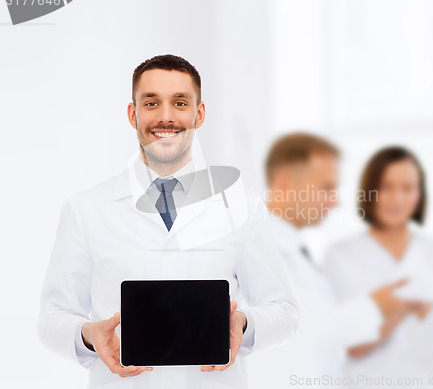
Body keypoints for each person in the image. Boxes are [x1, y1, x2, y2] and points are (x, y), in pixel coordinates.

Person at [38, 54, 299, 389]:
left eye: (179, 102)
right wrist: (88, 335)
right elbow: (51, 317)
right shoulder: (85, 209)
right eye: (151, 103)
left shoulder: (241, 208)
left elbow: (284, 311)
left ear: (198, 114)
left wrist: (243, 325)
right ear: (133, 114)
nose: (165, 117)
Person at [248, 133, 397, 388]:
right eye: (326, 188)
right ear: (284, 184)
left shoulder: (297, 250)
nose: (334, 201)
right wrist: (374, 308)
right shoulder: (257, 246)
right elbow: (299, 332)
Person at [323, 146, 433, 388]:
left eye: (407, 188)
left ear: (419, 194)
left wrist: (429, 317)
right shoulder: (341, 256)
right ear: (370, 191)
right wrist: (404, 307)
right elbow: (354, 347)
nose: (397, 198)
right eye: (386, 187)